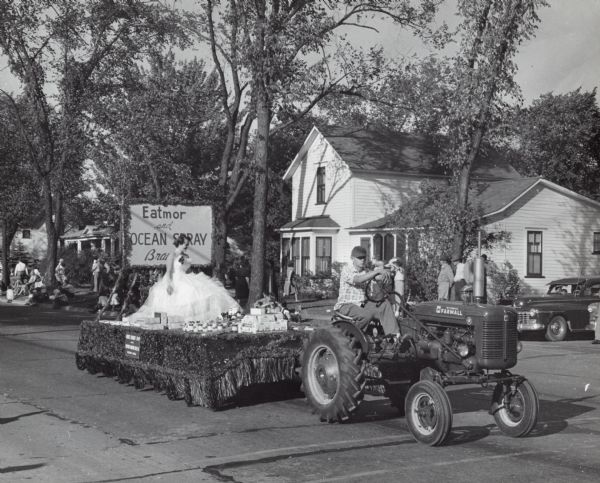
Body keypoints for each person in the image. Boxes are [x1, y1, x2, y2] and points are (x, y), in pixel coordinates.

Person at [129, 234, 240, 324]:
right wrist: (168, 284)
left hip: (185, 278)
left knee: (202, 291)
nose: (187, 246)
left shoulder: (185, 257)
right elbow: (168, 271)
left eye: (187, 244)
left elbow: (188, 271)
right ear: (180, 243)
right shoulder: (171, 255)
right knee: (183, 297)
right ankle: (176, 322)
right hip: (174, 280)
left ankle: (195, 322)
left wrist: (198, 277)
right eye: (185, 244)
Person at [334, 246, 399, 340]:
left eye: (364, 257)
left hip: (362, 304)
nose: (362, 260)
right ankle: (350, 336)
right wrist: (377, 271)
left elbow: (377, 277)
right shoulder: (346, 269)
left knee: (384, 304)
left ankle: (394, 337)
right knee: (366, 315)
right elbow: (359, 279)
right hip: (346, 305)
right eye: (359, 258)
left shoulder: (366, 271)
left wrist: (388, 273)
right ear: (352, 258)